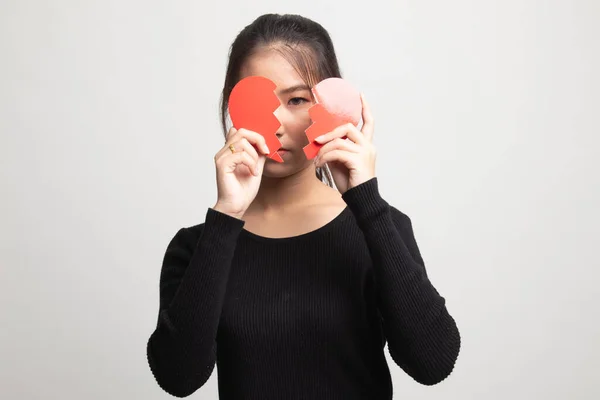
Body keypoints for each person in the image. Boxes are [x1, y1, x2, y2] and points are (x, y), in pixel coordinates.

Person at [146, 13, 461, 400]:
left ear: (332, 105)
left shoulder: (380, 227)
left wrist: (367, 202)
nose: (276, 123)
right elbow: (178, 377)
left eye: (297, 100)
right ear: (232, 107)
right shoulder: (198, 247)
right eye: (258, 100)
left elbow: (433, 363)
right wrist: (226, 214)